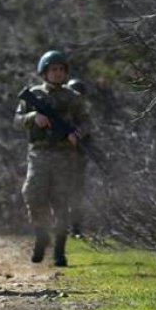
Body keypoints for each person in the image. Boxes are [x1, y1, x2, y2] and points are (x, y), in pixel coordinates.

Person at [14, 50, 90, 267]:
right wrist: (33, 117)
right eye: (53, 70)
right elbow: (17, 120)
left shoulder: (73, 98)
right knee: (32, 194)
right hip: (39, 153)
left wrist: (77, 134)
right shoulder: (34, 95)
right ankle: (41, 234)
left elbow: (86, 122)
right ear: (44, 72)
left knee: (61, 202)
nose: (57, 73)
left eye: (61, 70)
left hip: (65, 156)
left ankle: (59, 250)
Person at [66, 78, 90, 238]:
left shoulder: (83, 114)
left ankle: (75, 228)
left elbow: (86, 130)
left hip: (77, 159)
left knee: (76, 194)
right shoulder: (62, 111)